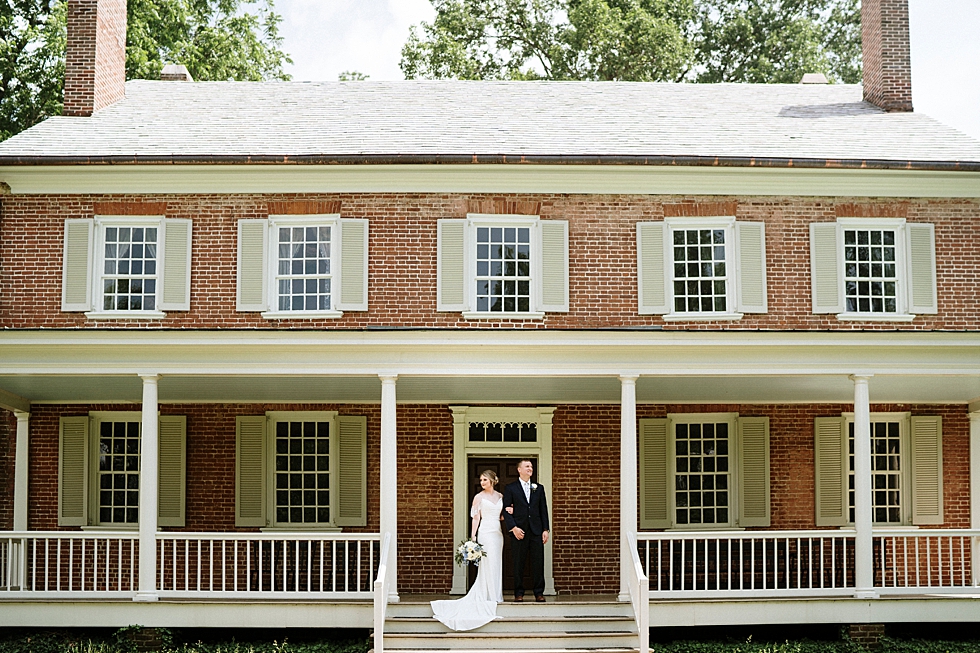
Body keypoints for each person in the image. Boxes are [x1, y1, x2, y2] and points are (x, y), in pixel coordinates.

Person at [431, 470, 504, 631]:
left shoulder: (500, 496)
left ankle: (496, 595)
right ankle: (487, 595)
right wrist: (473, 536)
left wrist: (508, 513)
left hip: (498, 533)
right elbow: (476, 518)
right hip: (485, 532)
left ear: (492, 480)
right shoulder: (478, 497)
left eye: (485, 479)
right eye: (481, 480)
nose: (482, 482)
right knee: (487, 563)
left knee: (496, 563)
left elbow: (501, 516)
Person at [502, 458, 550, 602]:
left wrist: (545, 529)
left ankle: (539, 592)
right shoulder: (511, 488)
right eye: (527, 466)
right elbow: (506, 510)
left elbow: (543, 510)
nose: (530, 468)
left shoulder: (538, 488)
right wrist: (513, 528)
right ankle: (519, 592)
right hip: (519, 531)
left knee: (538, 562)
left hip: (536, 531)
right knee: (518, 563)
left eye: (531, 466)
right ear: (519, 470)